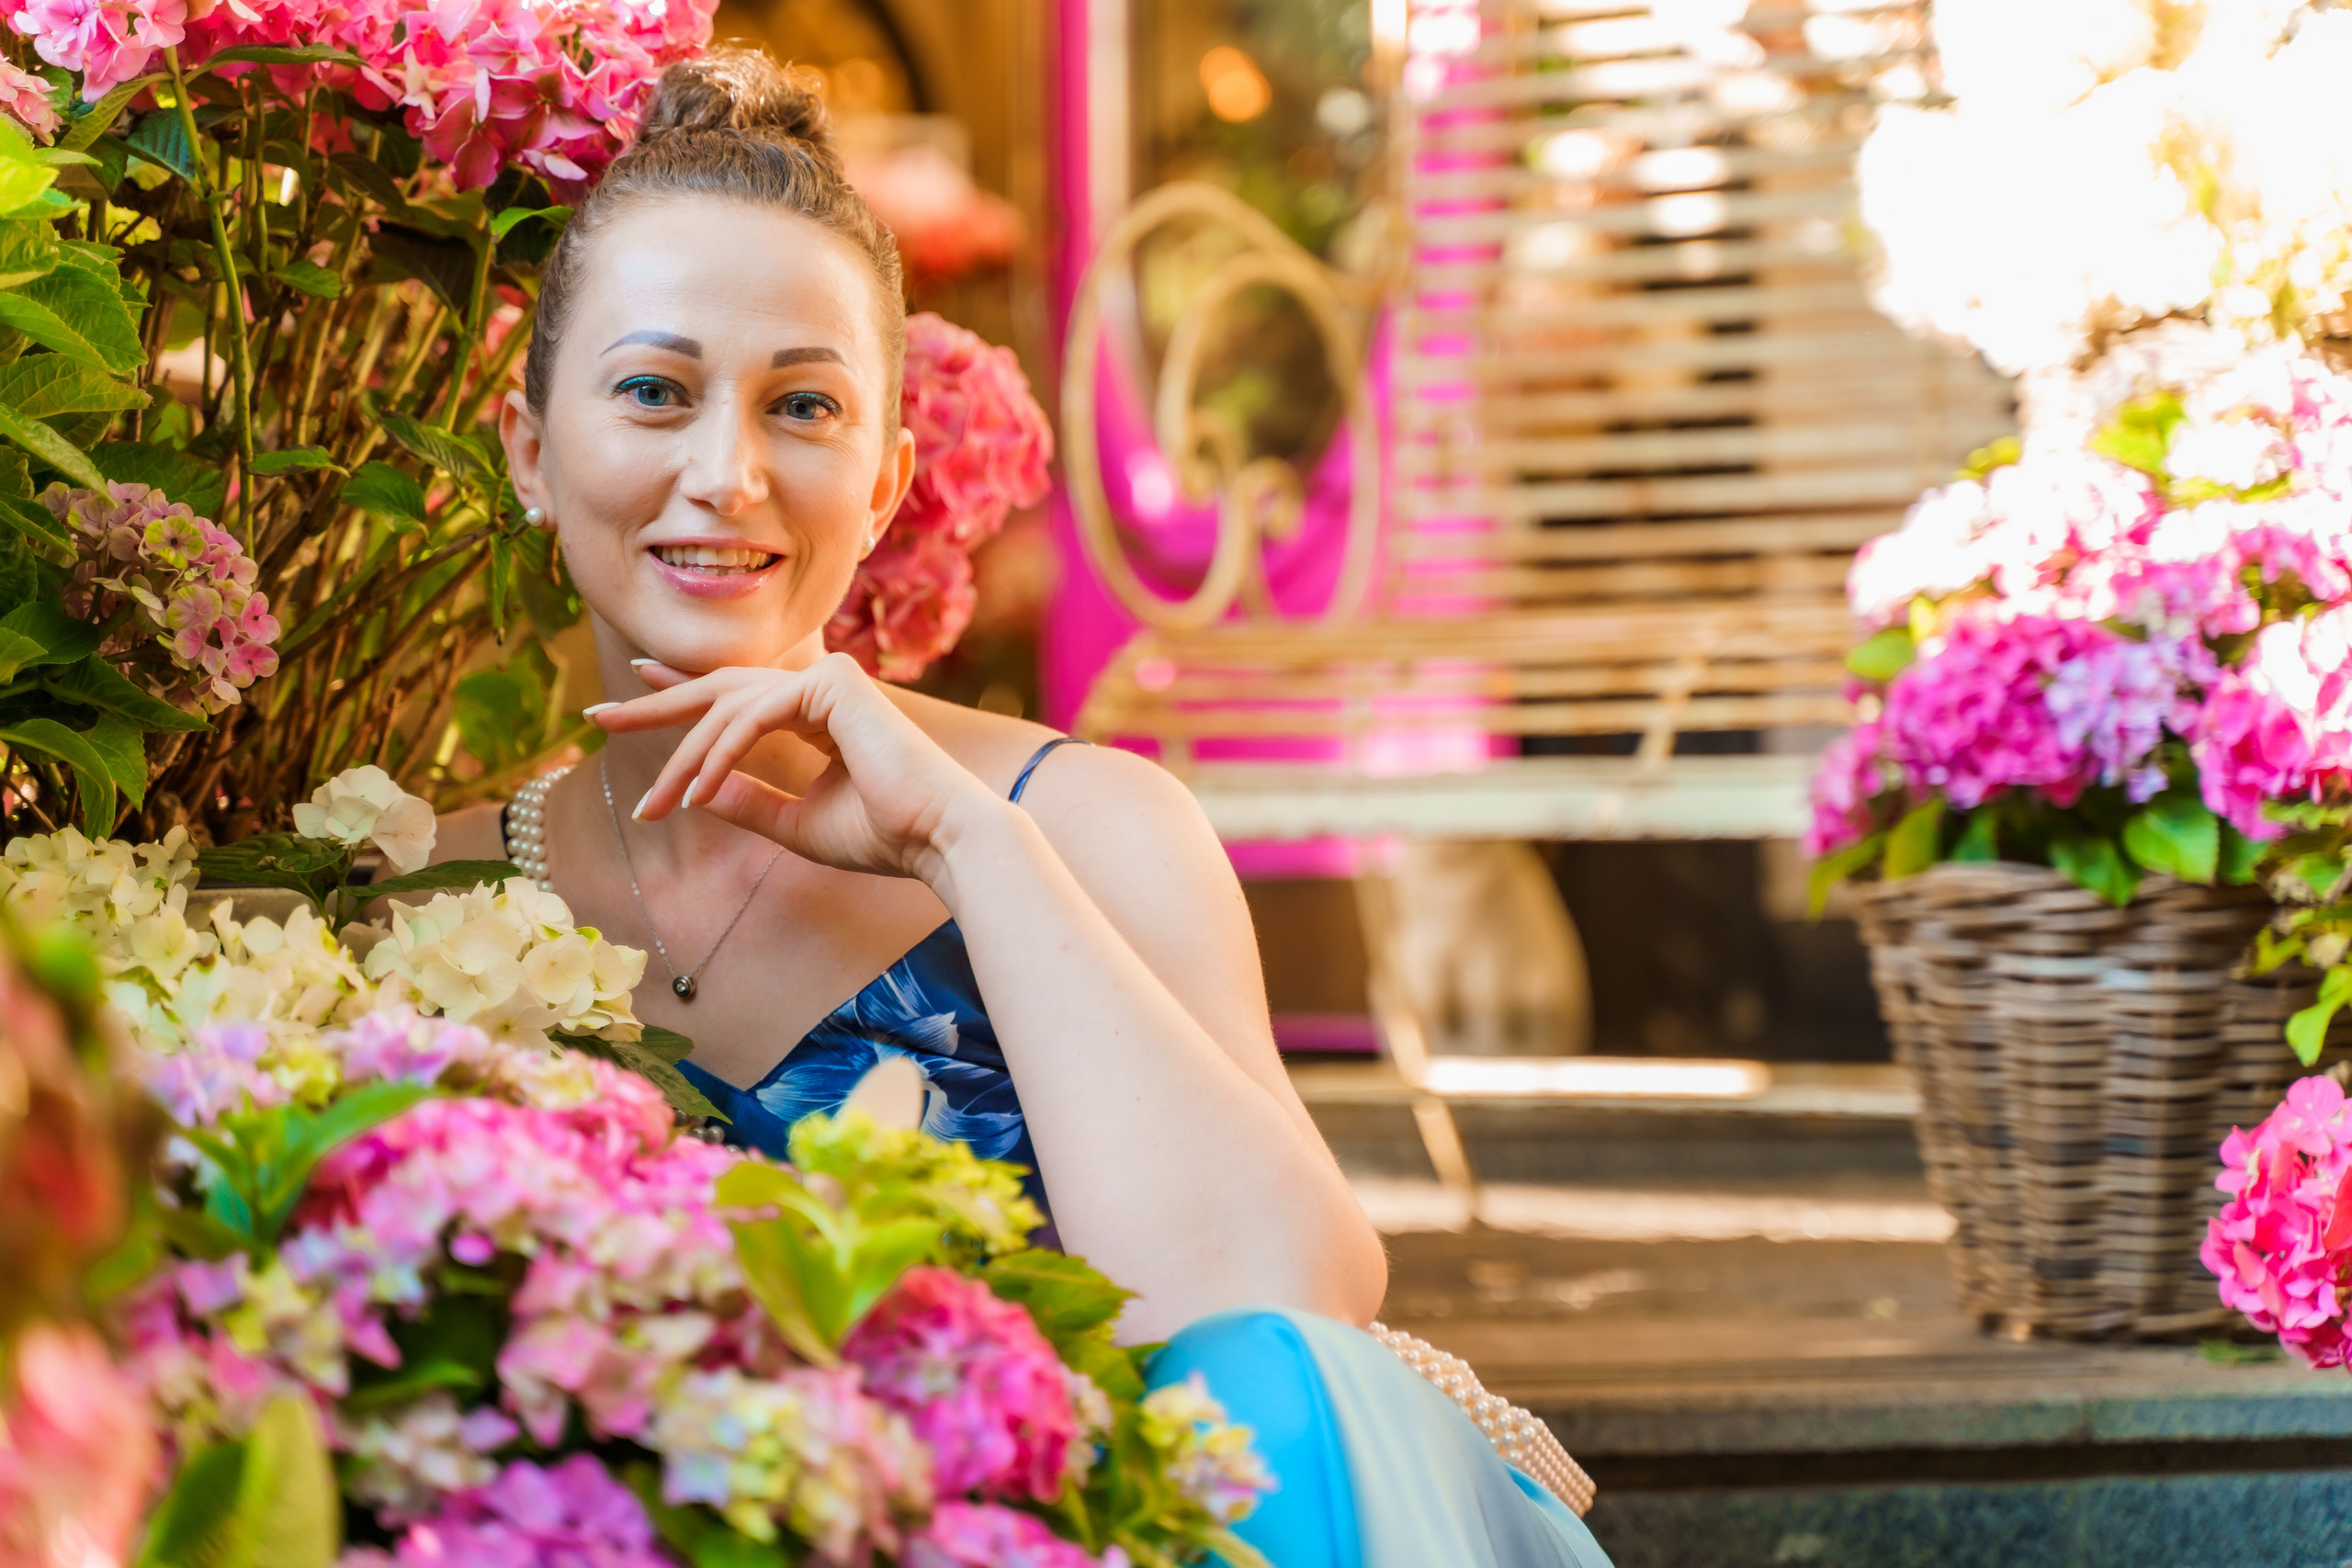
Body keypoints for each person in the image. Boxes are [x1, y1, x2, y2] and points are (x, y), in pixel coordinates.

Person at [435, 48, 1611, 1568]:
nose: (725, 474)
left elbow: (1275, 1327)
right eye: (654, 392)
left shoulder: (1097, 823)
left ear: (883, 483)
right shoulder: (436, 899)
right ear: (529, 449)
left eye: (803, 406)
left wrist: (965, 848)